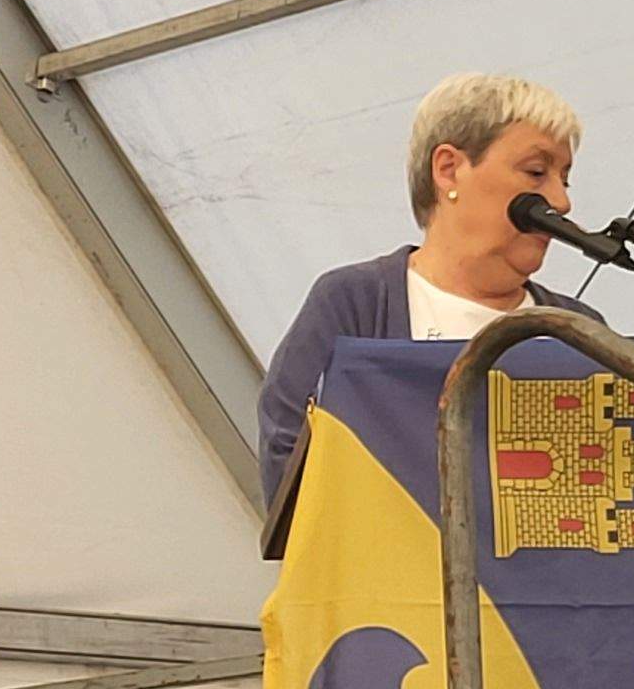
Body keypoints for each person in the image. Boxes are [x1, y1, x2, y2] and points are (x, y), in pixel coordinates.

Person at [252, 74, 597, 521]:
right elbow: (290, 467)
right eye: (536, 172)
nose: (561, 200)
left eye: (565, 179)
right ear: (448, 169)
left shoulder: (581, 329)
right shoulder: (355, 303)